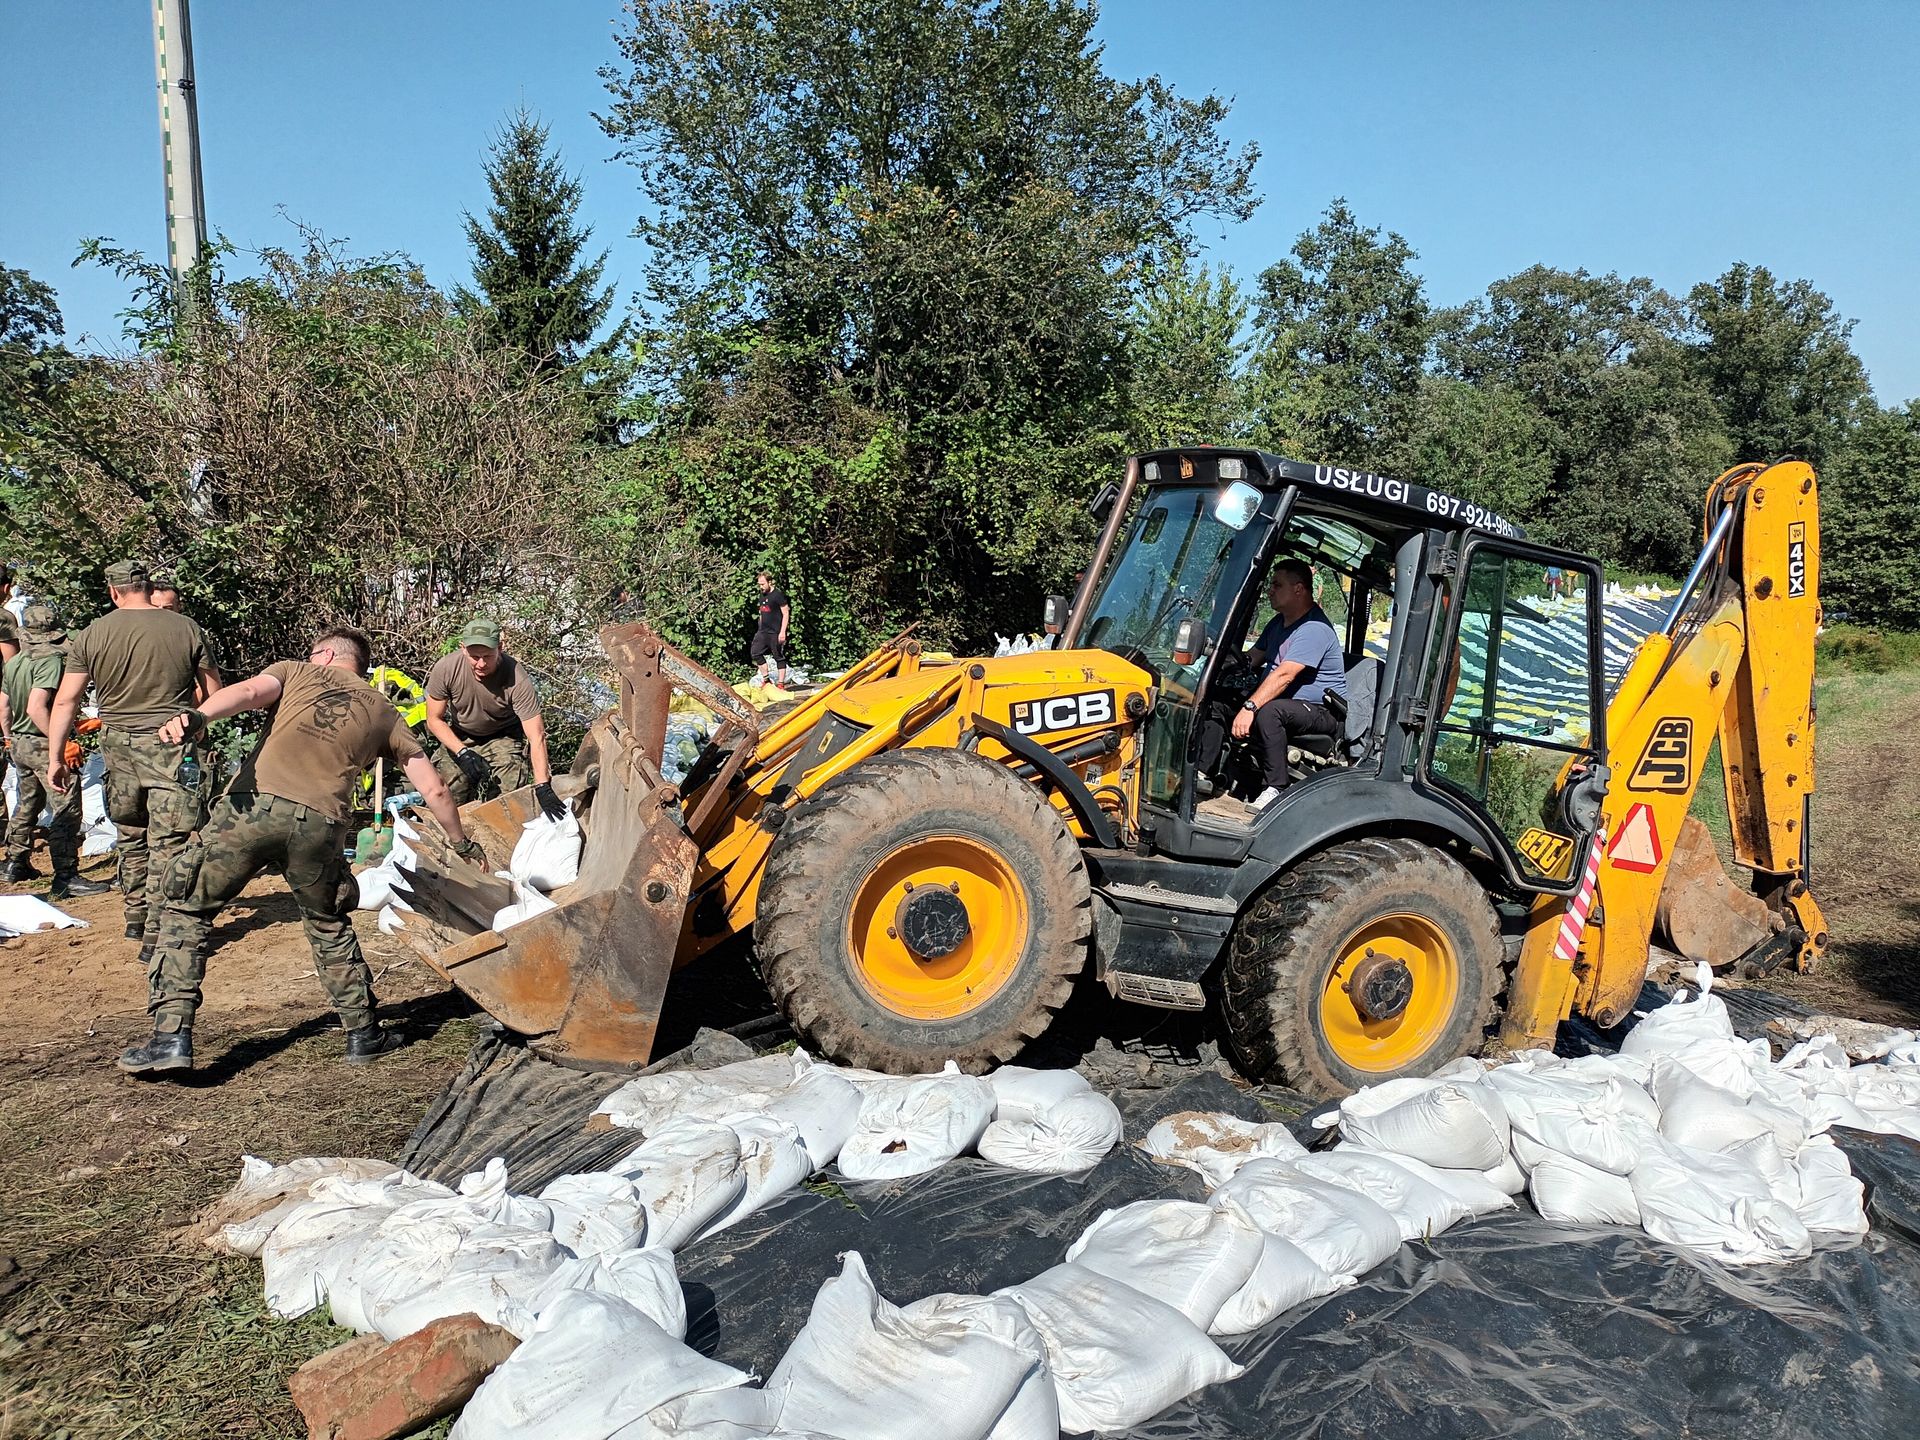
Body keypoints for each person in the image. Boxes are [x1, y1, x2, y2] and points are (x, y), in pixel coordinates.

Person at [117, 625, 484, 1075]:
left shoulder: (294, 671)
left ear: (325, 656)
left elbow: (250, 692)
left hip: (250, 812)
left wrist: (199, 717)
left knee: (186, 910)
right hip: (321, 826)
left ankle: (171, 1037)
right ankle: (364, 1034)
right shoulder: (385, 711)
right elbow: (436, 787)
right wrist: (462, 842)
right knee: (326, 921)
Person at [46, 560, 222, 959]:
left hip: (118, 748)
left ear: (113, 591)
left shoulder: (92, 633)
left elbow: (66, 700)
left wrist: (56, 756)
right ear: (145, 587)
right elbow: (212, 691)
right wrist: (194, 722)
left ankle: (136, 917)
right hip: (171, 744)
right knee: (169, 839)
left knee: (130, 833)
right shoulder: (186, 628)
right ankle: (159, 933)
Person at [3, 604, 112, 897]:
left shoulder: (14, 662)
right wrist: (61, 744)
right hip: (43, 743)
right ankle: (66, 876)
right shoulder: (50, 659)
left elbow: (4, 706)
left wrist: (9, 738)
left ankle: (15, 861)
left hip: (22, 742)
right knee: (66, 808)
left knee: (28, 804)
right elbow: (36, 706)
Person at [1229, 560, 1348, 810]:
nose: (1270, 591)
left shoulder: (1314, 628)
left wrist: (1250, 707)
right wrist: (1225, 665)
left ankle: (1275, 788)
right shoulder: (1278, 622)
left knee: (1271, 712)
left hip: (1321, 711)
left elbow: (1285, 675)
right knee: (1220, 697)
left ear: (1298, 589)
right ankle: (1207, 774)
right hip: (1290, 703)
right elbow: (1254, 658)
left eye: (1276, 585)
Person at [423, 619, 564, 817]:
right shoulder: (446, 668)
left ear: (500, 648)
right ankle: (452, 837)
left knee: (511, 787)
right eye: (475, 657)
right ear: (463, 649)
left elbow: (536, 735)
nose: (481, 664)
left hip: (502, 736)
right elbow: (434, 719)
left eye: (488, 656)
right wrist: (462, 752)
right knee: (443, 789)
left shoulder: (516, 677)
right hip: (460, 735)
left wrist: (542, 785)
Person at [149, 573, 224, 700]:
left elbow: (212, 690)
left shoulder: (190, 635)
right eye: (155, 608)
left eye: (168, 608)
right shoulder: (127, 635)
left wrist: (190, 712)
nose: (161, 613)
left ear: (179, 607)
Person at [751, 571, 791, 687]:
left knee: (778, 656)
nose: (761, 587)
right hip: (763, 631)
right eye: (759, 584)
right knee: (755, 652)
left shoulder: (777, 595)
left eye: (763, 584)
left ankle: (780, 683)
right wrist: (760, 626)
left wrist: (783, 632)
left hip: (775, 631)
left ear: (769, 582)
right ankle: (766, 680)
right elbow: (761, 612)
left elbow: (786, 613)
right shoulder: (762, 594)